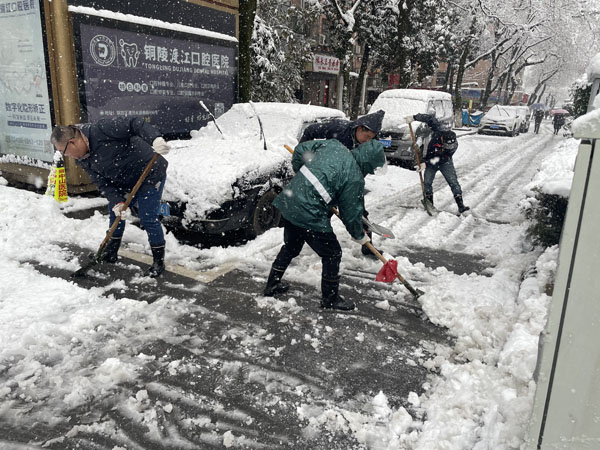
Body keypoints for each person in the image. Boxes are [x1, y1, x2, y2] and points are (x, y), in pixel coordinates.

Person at [263, 138, 386, 311]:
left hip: (290, 201)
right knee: (332, 254)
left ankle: (272, 285)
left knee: (291, 247)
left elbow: (300, 150)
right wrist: (359, 236)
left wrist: (303, 179)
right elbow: (351, 214)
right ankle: (330, 298)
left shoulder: (334, 146)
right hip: (309, 213)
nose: (371, 172)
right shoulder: (354, 177)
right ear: (368, 162)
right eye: (372, 168)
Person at [50, 117, 170, 277]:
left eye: (64, 152)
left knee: (147, 217)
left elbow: (134, 123)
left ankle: (158, 262)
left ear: (72, 142)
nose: (67, 156)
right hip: (124, 181)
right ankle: (110, 252)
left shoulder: (101, 130)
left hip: (150, 173)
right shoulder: (83, 159)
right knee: (116, 213)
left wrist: (155, 138)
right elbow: (102, 183)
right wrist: (118, 202)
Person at [299, 109, 385, 258]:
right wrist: (304, 156)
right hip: (328, 179)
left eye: (372, 138)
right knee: (323, 213)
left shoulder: (369, 143)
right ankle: (304, 242)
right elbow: (310, 130)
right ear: (359, 128)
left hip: (348, 181)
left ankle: (368, 247)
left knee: (360, 212)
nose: (368, 140)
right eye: (367, 136)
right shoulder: (338, 129)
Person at [405, 113, 470, 215]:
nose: (447, 147)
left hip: (445, 163)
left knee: (453, 182)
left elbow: (441, 159)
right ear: (443, 139)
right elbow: (429, 118)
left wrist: (425, 164)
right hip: (431, 157)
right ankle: (429, 204)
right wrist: (414, 117)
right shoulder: (438, 130)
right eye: (445, 145)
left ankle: (461, 206)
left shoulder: (453, 147)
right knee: (427, 182)